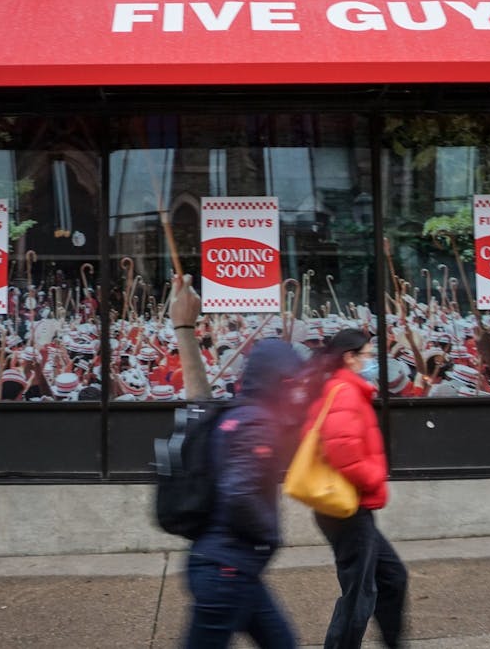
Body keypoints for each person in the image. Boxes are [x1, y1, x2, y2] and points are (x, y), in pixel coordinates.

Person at [169, 274, 302, 648]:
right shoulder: (256, 423)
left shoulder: (236, 414)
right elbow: (239, 492)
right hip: (226, 569)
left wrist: (184, 328)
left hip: (231, 566)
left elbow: (199, 401)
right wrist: (268, 535)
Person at [302, 327, 408, 649]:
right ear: (350, 357)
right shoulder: (344, 392)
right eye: (367, 355)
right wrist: (375, 477)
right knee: (359, 596)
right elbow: (342, 453)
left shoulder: (342, 389)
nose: (370, 361)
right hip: (348, 507)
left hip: (349, 506)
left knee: (391, 577)